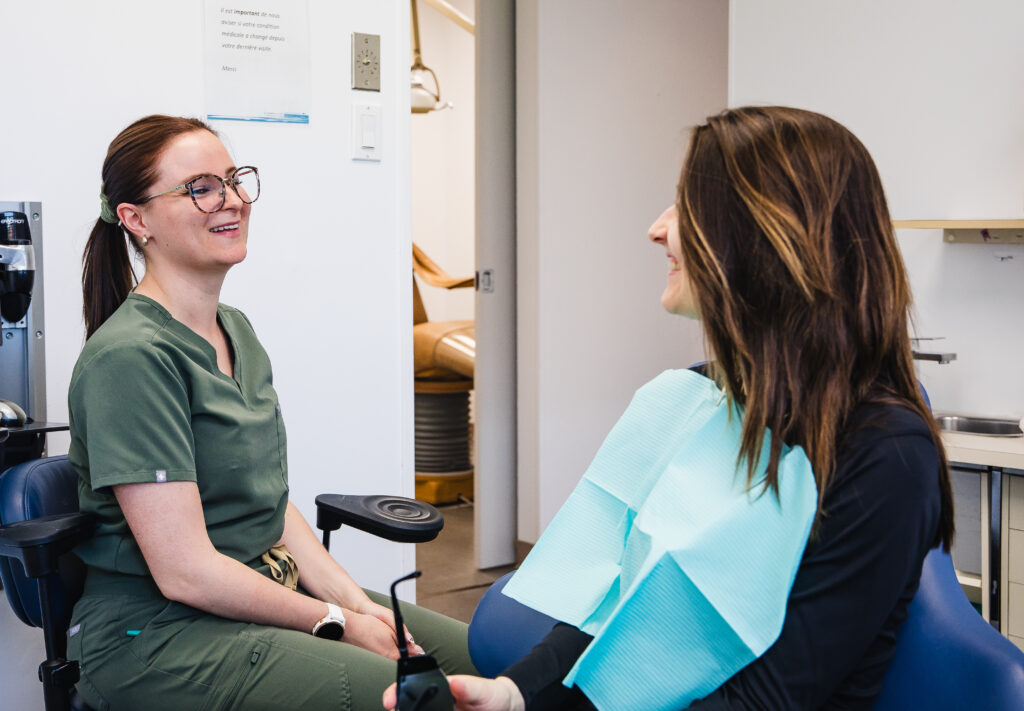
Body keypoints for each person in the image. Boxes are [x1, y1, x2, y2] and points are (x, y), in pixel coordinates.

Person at [384, 106, 954, 710]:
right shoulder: (697, 399)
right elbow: (622, 613)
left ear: (766, 237)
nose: (657, 229)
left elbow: (764, 700)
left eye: (686, 207)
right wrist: (515, 695)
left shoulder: (884, 454)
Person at [68, 115, 477, 710]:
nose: (231, 199)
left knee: (484, 659)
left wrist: (360, 606)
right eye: (200, 187)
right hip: (156, 636)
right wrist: (336, 621)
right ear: (135, 219)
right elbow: (185, 572)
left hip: (257, 593)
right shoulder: (129, 359)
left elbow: (269, 506)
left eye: (233, 180)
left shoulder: (236, 331)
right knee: (417, 700)